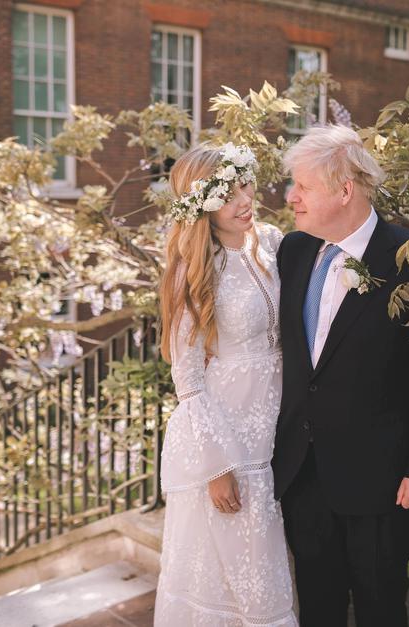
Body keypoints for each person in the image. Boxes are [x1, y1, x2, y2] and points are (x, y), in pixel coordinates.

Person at [273, 125, 409, 627]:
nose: (291, 198)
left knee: (380, 606)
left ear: (344, 191)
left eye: (302, 187)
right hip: (303, 473)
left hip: (383, 482)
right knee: (317, 604)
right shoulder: (293, 253)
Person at [154, 143, 297, 626]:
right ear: (201, 205)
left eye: (245, 183)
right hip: (229, 436)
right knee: (240, 570)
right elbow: (189, 378)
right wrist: (216, 466)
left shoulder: (273, 241)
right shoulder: (194, 269)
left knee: (274, 560)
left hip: (283, 420)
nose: (244, 199)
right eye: (227, 192)